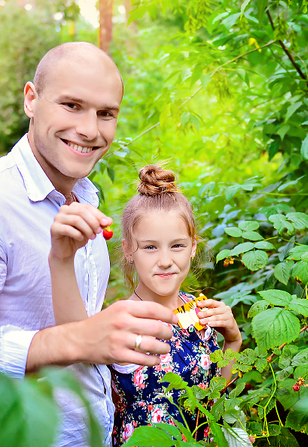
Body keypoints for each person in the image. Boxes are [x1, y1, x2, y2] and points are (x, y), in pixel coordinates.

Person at [0, 42, 178, 447]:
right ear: (31, 100)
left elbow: (80, 333)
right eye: (72, 105)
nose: (90, 129)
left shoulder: (86, 200)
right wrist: (78, 340)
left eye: (105, 113)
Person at [49, 164, 242, 445]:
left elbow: (215, 396)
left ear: (193, 247)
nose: (165, 261)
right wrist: (62, 260)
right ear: (129, 249)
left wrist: (233, 340)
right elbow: (73, 337)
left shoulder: (198, 311)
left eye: (177, 246)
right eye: (150, 247)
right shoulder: (122, 321)